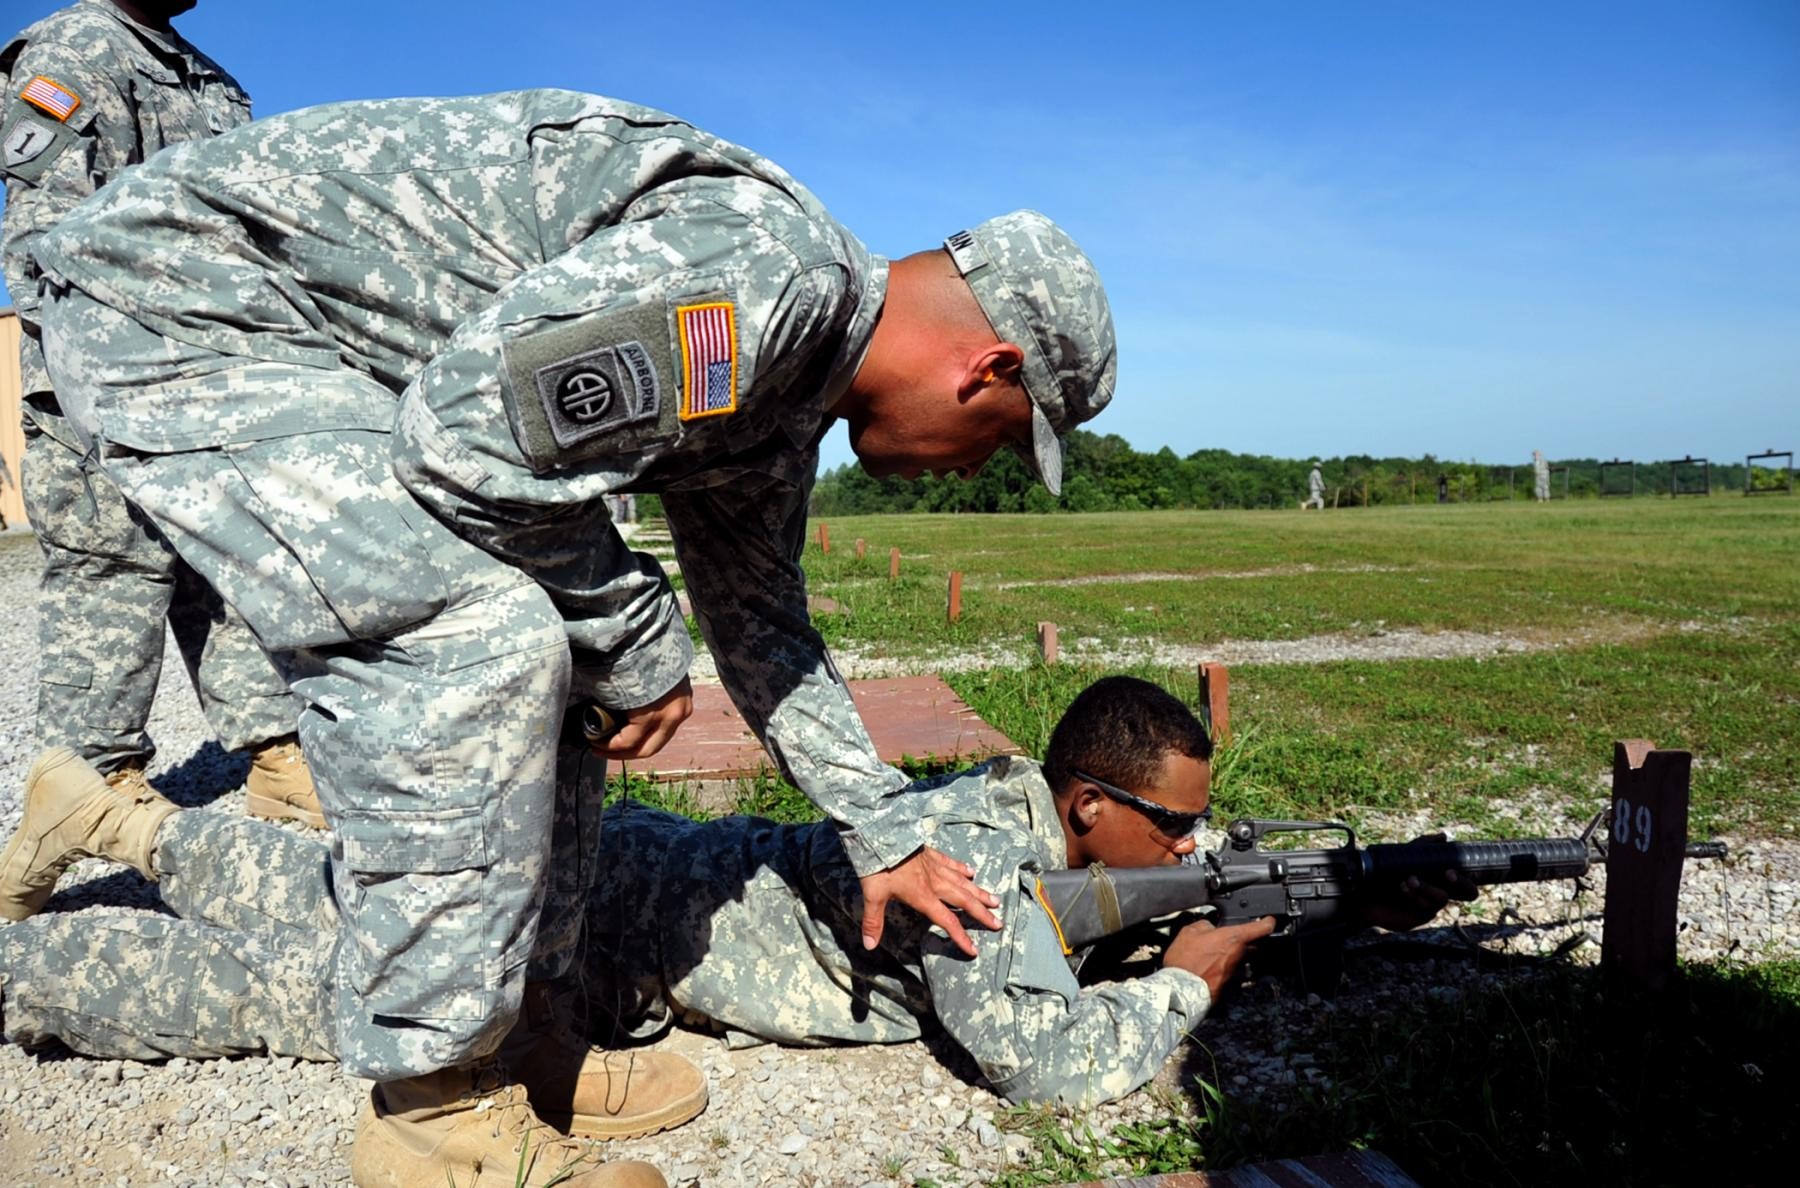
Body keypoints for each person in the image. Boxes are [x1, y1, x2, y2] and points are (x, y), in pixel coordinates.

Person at [26, 90, 1116, 1187]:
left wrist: (880, 828)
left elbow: (762, 626)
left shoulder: (783, 396)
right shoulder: (765, 279)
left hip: (325, 354)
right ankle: (437, 1119)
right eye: (1003, 444)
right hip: (189, 301)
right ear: (992, 367)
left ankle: (526, 1026)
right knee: (474, 634)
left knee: (584, 659)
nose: (974, 470)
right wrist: (639, 630)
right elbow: (462, 439)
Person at [0, 677, 1466, 1113]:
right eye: (1177, 830)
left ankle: (110, 814)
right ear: (1091, 807)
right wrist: (1199, 960)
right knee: (321, 987)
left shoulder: (1047, 827)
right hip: (609, 930)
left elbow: (1184, 870)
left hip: (629, 864)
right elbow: (1043, 1064)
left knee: (324, 871)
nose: (1192, 851)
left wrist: (1350, 890)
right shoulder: (976, 869)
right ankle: (33, 977)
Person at [0, 0, 319, 827]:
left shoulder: (212, 80)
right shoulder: (75, 48)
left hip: (205, 379)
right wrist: (113, 374)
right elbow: (45, 241)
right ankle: (90, 790)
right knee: (112, 568)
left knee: (227, 563)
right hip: (101, 372)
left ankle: (274, 752)